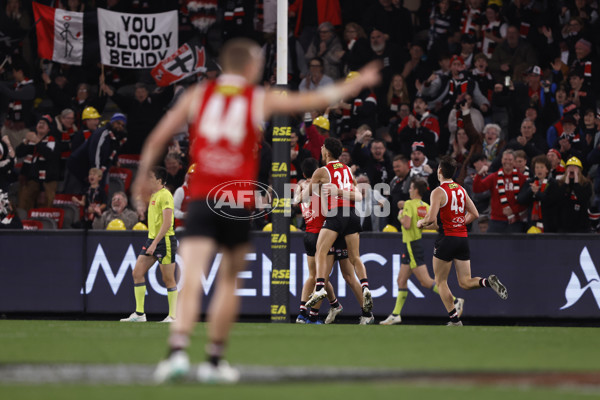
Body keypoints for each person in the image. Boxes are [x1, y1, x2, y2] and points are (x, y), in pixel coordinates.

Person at [131, 38, 380, 383]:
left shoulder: (197, 95)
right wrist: (356, 82)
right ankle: (215, 361)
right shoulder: (254, 98)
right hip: (237, 202)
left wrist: (142, 175)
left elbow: (158, 138)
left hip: (204, 197)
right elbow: (311, 99)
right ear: (250, 68)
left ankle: (176, 353)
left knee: (192, 279)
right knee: (228, 282)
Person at [417, 156, 508, 326]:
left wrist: (420, 223)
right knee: (465, 282)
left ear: (440, 171)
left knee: (441, 281)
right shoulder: (460, 189)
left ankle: (455, 320)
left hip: (446, 239)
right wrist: (458, 223)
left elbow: (430, 219)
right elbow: (474, 214)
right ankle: (488, 282)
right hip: (462, 238)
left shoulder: (438, 191)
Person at [304, 138, 374, 323]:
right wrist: (340, 191)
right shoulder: (347, 169)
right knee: (351, 269)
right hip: (352, 217)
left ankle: (318, 292)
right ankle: (366, 301)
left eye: (322, 147)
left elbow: (304, 196)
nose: (320, 149)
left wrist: (309, 187)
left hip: (335, 217)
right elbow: (359, 196)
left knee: (321, 254)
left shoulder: (321, 171)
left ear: (327, 152)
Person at [380, 178, 464, 325]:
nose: (409, 190)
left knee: (425, 281)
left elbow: (406, 225)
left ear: (416, 190)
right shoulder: (425, 206)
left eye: (411, 188)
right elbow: (435, 226)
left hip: (411, 244)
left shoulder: (409, 204)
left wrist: (400, 214)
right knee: (401, 280)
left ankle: (455, 300)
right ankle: (395, 314)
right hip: (416, 243)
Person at [293, 158, 364, 325]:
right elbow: (327, 211)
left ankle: (309, 313)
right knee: (335, 276)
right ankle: (320, 312)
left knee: (320, 276)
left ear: (304, 174)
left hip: (318, 233)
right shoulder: (321, 187)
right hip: (329, 232)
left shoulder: (301, 187)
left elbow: (297, 201)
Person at [121, 166, 178, 323]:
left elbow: (167, 224)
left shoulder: (165, 195)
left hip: (164, 241)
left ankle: (173, 316)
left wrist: (155, 244)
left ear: (159, 180)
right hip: (152, 240)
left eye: (150, 178)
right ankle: (140, 314)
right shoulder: (154, 195)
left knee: (168, 279)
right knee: (137, 273)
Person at [473, 149, 527, 233]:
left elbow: (525, 201)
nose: (507, 162)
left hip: (515, 221)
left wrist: (513, 210)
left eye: (510, 160)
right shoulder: (494, 177)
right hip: (496, 221)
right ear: (501, 160)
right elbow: (477, 189)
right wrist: (479, 174)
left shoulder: (522, 178)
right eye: (505, 159)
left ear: (514, 162)